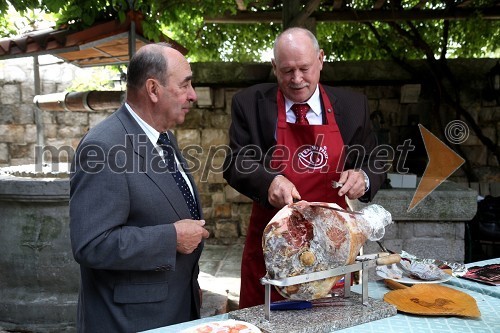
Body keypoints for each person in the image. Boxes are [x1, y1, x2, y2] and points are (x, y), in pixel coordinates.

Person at [223, 27, 386, 309]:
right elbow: (236, 161)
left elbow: (375, 159)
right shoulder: (249, 103)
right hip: (274, 244)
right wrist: (269, 181)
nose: (297, 79)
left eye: (304, 68)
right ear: (274, 68)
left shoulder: (352, 105)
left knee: (331, 321)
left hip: (332, 244)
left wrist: (364, 177)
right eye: (287, 71)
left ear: (321, 59)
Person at [69, 43, 209, 332]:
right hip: (129, 322)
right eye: (185, 85)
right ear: (153, 90)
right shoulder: (103, 147)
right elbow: (91, 244)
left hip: (173, 309)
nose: (193, 95)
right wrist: (171, 238)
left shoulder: (164, 137)